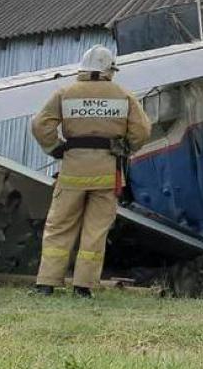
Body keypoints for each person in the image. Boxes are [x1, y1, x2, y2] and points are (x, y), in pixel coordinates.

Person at [31, 45, 151, 297]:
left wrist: (56, 148)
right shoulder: (123, 95)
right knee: (95, 230)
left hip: (72, 171)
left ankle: (46, 283)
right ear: (109, 70)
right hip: (107, 172)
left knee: (59, 226)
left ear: (83, 68)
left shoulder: (65, 93)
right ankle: (83, 286)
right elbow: (141, 131)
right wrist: (126, 148)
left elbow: (40, 125)